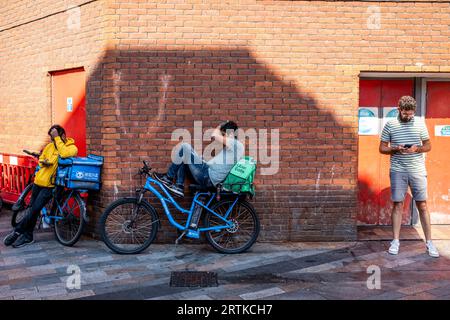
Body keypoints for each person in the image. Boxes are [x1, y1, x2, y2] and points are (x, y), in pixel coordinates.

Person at [379, 96, 439, 258]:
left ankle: (429, 242)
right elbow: (382, 148)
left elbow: (428, 145)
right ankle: (396, 241)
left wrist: (417, 149)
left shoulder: (419, 123)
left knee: (423, 205)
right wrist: (395, 148)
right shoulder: (390, 125)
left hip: (417, 170)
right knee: (398, 204)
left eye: (410, 114)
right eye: (405, 114)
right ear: (399, 109)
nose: (408, 117)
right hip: (398, 170)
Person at [3, 125, 78, 248]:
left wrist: (57, 139)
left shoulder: (71, 147)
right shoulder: (49, 146)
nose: (52, 141)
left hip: (51, 185)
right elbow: (42, 158)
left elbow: (64, 154)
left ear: (62, 135)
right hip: (39, 182)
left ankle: (17, 231)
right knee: (33, 209)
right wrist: (43, 161)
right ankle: (28, 236)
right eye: (52, 138)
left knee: (34, 209)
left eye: (54, 137)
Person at [154, 121, 244, 197]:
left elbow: (214, 135)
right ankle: (179, 186)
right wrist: (200, 159)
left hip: (208, 177)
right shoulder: (232, 148)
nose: (223, 137)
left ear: (231, 134)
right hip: (208, 174)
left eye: (224, 134)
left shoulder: (235, 144)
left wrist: (220, 126)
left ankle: (168, 178)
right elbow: (215, 164)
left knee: (185, 146)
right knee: (185, 155)